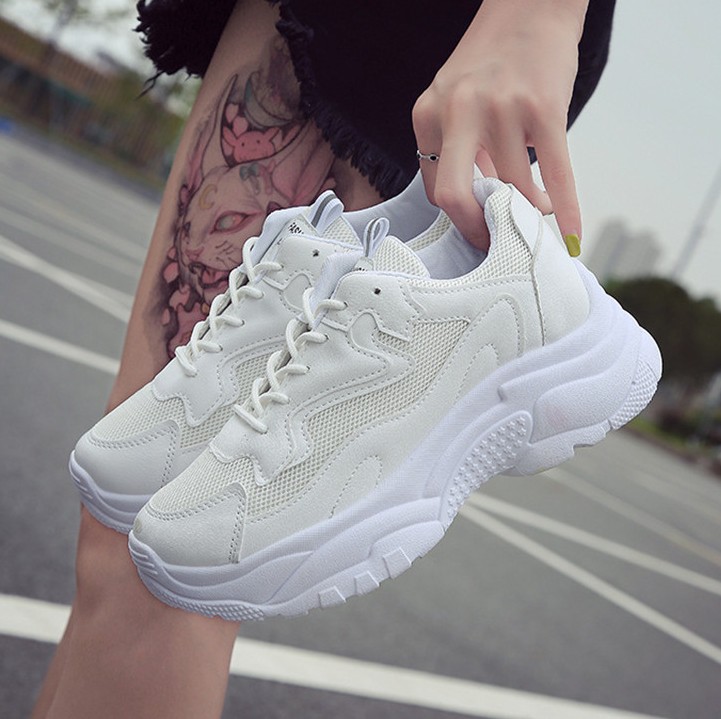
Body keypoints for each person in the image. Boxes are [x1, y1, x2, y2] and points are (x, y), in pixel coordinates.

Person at [31, 1, 615, 716]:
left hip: (415, 30)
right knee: (119, 537)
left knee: (169, 576)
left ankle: (498, 313)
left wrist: (538, 13)